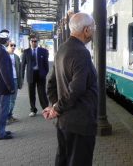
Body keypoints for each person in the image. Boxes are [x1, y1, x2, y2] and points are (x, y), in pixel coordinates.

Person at [43, 12, 98, 166]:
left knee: (63, 159)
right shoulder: (82, 53)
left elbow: (51, 84)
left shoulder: (62, 49)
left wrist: (55, 106)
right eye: (93, 28)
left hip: (64, 122)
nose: (94, 31)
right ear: (86, 30)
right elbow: (77, 88)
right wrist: (57, 108)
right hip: (80, 123)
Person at [21, 35, 49, 117]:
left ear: (38, 42)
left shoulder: (43, 51)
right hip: (31, 75)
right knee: (31, 93)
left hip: (40, 75)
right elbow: (23, 65)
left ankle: (45, 109)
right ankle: (33, 110)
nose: (34, 42)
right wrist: (21, 77)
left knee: (42, 93)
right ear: (30, 42)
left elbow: (46, 65)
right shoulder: (26, 52)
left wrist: (44, 74)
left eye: (35, 41)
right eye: (32, 41)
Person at [6, 40, 23, 124]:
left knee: (13, 99)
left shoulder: (16, 57)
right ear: (7, 46)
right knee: (7, 100)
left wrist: (20, 82)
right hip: (7, 80)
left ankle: (9, 116)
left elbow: (19, 70)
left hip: (15, 80)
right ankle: (6, 117)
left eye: (14, 45)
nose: (13, 47)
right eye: (11, 45)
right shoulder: (4, 56)